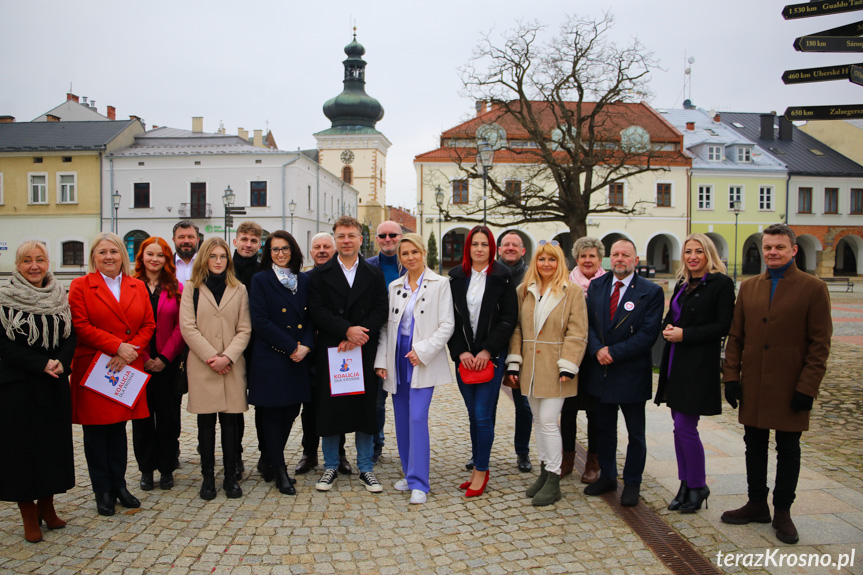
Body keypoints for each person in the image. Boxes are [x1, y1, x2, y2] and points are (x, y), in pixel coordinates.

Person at [721, 224, 832, 545]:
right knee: (753, 445)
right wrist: (731, 377)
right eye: (768, 247)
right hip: (754, 382)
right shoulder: (750, 287)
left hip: (790, 384)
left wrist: (807, 388)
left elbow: (819, 344)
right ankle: (757, 503)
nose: (772, 252)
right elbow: (736, 337)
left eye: (779, 247)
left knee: (788, 448)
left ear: (793, 250)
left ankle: (782, 509)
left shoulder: (813, 288)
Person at [69, 233, 155, 517]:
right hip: (95, 367)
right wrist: (116, 346)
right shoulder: (80, 285)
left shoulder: (137, 285)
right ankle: (102, 489)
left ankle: (119, 485)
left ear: (123, 256)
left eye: (114, 252)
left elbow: (148, 323)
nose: (108, 257)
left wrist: (128, 351)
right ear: (93, 256)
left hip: (126, 365)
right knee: (96, 433)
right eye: (102, 252)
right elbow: (80, 326)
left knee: (119, 430)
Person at [0, 242, 76, 542]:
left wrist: (61, 362)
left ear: (48, 263)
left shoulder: (60, 295)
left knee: (51, 448)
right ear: (17, 265)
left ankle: (48, 506)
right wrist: (40, 363)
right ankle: (28, 512)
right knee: (21, 450)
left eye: (40, 260)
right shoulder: (5, 298)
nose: (34, 266)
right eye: (27, 261)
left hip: (53, 383)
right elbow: (4, 345)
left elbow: (71, 335)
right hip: (17, 386)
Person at [308, 216, 388, 493]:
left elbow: (381, 309)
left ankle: (366, 467)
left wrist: (360, 334)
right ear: (335, 239)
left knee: (365, 410)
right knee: (331, 411)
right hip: (333, 349)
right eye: (341, 236)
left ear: (360, 239)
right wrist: (346, 331)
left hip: (363, 350)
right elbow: (317, 311)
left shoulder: (374, 273)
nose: (346, 240)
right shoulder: (319, 275)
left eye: (351, 235)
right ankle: (330, 466)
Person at [655, 234, 735, 513]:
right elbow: (672, 316)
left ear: (708, 254)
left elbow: (723, 325)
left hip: (699, 364)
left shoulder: (721, 284)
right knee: (678, 427)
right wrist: (667, 328)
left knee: (687, 428)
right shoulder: (681, 283)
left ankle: (698, 485)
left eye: (698, 251)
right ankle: (685, 484)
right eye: (688, 251)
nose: (692, 256)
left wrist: (685, 334)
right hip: (676, 361)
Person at [582, 238, 663, 507]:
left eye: (625, 255)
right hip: (601, 372)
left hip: (630, 373)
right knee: (604, 429)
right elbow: (588, 325)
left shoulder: (650, 291)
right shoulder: (597, 286)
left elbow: (648, 334)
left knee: (635, 434)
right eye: (615, 254)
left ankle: (632, 482)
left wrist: (613, 352)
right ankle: (607, 476)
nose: (620, 259)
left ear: (635, 260)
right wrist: (597, 349)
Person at [506, 240, 588, 506]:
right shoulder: (524, 290)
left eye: (552, 260)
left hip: (556, 367)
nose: (546, 265)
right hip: (530, 367)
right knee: (538, 422)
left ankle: (554, 478)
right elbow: (517, 328)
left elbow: (577, 332)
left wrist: (568, 365)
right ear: (535, 262)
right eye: (542, 259)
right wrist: (514, 363)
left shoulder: (571, 291)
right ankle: (544, 470)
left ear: (559, 263)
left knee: (550, 421)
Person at [374, 234, 454, 505]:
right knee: (402, 419)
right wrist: (382, 361)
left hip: (421, 358)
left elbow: (447, 325)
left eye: (414, 252)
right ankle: (409, 474)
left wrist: (423, 351)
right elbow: (387, 326)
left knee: (418, 418)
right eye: (404, 253)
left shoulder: (440, 283)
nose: (410, 258)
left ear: (423, 254)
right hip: (397, 357)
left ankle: (420, 481)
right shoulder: (395, 286)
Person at [448, 225, 518, 498]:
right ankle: (478, 464)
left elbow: (508, 318)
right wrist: (461, 352)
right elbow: (450, 319)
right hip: (464, 357)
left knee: (482, 414)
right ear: (468, 248)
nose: (479, 249)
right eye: (475, 244)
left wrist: (487, 350)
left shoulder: (503, 276)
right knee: (472, 414)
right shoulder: (455, 277)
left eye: (484, 245)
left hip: (492, 356)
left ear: (492, 248)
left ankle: (481, 469)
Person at [180, 237, 251, 500]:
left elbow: (245, 328)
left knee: (231, 423)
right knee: (206, 424)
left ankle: (231, 476)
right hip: (203, 365)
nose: (219, 261)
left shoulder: (239, 289)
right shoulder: (192, 288)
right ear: (204, 259)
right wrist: (212, 356)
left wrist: (228, 356)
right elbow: (188, 327)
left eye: (223, 256)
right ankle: (208, 477)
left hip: (232, 365)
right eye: (213, 256)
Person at [248, 231, 314, 496]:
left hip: (299, 356)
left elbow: (311, 317)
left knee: (291, 412)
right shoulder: (261, 280)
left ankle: (268, 459)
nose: (280, 253)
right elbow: (260, 320)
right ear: (268, 254)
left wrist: (306, 345)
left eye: (285, 248)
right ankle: (280, 469)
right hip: (272, 356)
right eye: (274, 250)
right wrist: (290, 347)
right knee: (272, 414)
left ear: (293, 250)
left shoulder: (304, 280)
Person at [294, 232, 351, 477]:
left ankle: (340, 454)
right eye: (317, 247)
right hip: (310, 351)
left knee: (339, 403)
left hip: (338, 349)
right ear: (311, 251)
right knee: (310, 406)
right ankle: (309, 452)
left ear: (334, 248)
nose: (322, 250)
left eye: (326, 246)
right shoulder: (304, 279)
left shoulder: (344, 277)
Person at [131, 237, 186, 492]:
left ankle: (166, 468)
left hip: (168, 364)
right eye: (149, 254)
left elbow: (181, 327)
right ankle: (146, 469)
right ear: (141, 257)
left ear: (167, 259)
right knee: (142, 421)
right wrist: (144, 358)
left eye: (160, 255)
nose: (154, 259)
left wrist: (164, 358)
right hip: (137, 363)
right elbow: (127, 326)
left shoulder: (176, 288)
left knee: (168, 420)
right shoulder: (130, 287)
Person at [561, 237, 607, 482]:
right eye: (583, 256)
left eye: (592, 256)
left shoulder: (609, 284)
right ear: (576, 259)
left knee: (595, 412)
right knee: (567, 410)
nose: (587, 260)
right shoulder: (566, 284)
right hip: (571, 355)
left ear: (600, 259)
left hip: (597, 357)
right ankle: (567, 458)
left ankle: (593, 462)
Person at [366, 220, 405, 464]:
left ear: (401, 236)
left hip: (406, 340)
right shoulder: (368, 266)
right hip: (377, 338)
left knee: (404, 400)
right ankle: (375, 441)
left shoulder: (411, 264)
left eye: (393, 235)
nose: (388, 239)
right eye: (383, 235)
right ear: (376, 239)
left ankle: (406, 443)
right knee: (376, 401)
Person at [496, 231, 533, 473]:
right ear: (499, 249)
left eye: (515, 245)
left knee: (524, 404)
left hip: (523, 347)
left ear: (522, 250)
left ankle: (523, 452)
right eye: (506, 244)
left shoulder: (532, 275)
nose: (510, 248)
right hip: (494, 345)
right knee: (485, 405)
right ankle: (479, 452)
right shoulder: (488, 272)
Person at [231, 221, 263, 482]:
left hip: (258, 346)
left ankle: (266, 455)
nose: (248, 244)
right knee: (232, 405)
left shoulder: (265, 270)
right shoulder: (223, 266)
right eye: (244, 239)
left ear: (259, 244)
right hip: (228, 345)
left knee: (262, 402)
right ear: (235, 241)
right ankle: (235, 456)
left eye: (253, 240)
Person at [172, 221, 200, 287]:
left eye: (190, 237)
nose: (186, 241)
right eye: (181, 237)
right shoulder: (166, 264)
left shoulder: (206, 263)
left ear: (197, 240)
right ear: (174, 240)